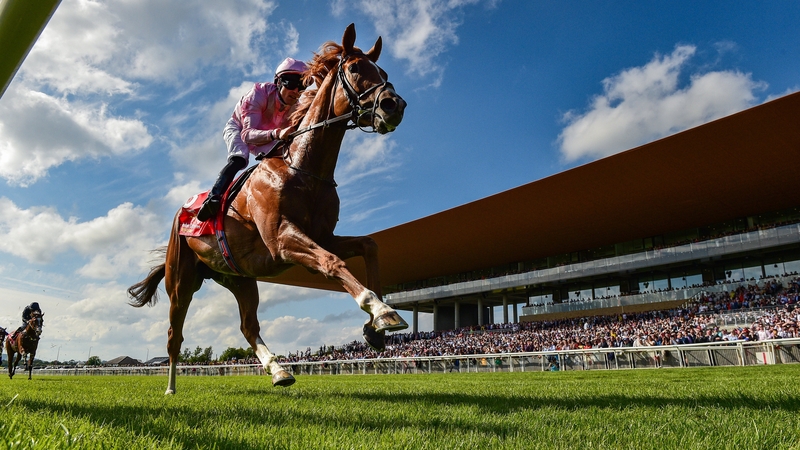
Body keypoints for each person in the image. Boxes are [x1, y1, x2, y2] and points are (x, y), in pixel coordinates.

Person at [197, 57, 309, 221]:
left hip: (270, 132)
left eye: (302, 86)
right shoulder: (258, 93)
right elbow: (247, 135)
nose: (296, 91)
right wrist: (277, 134)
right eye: (291, 84)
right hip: (240, 128)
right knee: (240, 158)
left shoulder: (297, 108)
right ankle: (213, 198)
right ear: (278, 82)